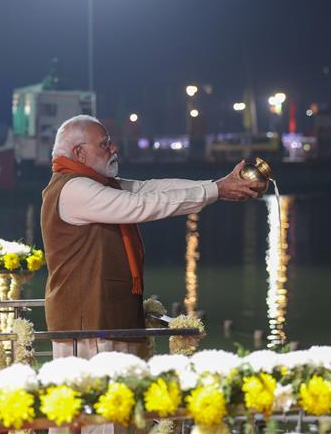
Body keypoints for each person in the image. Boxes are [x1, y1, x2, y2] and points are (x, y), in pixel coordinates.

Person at [40, 114, 265, 362]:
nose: (114, 148)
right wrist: (216, 190)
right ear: (79, 153)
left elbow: (150, 189)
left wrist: (217, 186)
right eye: (104, 144)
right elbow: (140, 204)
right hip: (87, 325)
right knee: (98, 396)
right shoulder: (75, 188)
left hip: (105, 319)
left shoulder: (93, 184)